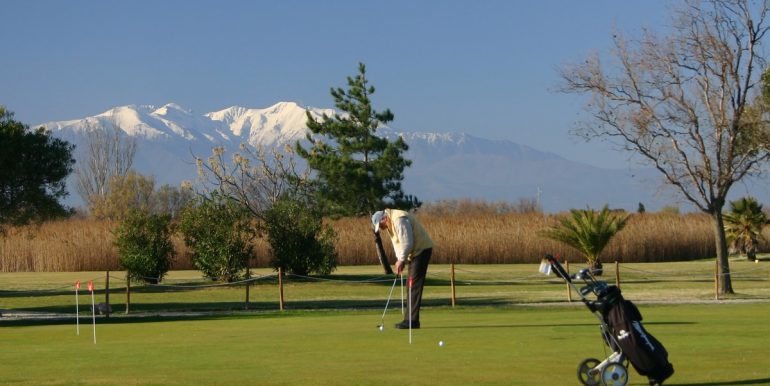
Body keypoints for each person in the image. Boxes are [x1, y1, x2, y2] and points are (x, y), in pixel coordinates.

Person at [371, 209, 433, 329]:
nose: (382, 228)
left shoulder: (399, 220)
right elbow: (398, 244)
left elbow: (407, 242)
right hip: (414, 252)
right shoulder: (390, 224)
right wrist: (401, 259)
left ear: (384, 219)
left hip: (421, 250)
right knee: (410, 286)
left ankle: (412, 321)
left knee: (413, 285)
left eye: (381, 225)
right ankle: (409, 319)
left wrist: (401, 260)